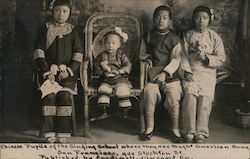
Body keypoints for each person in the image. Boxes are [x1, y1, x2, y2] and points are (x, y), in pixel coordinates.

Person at [33, 0, 83, 143]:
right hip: (48, 73)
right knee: (49, 97)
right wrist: (47, 69)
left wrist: (69, 70)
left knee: (65, 96)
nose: (61, 14)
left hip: (66, 74)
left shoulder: (72, 30)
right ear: (52, 12)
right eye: (57, 11)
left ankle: (63, 133)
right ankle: (49, 133)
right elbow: (38, 51)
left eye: (64, 11)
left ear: (69, 13)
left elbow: (78, 53)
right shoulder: (45, 28)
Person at [180, 5, 226, 143]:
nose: (201, 21)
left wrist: (206, 58)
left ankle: (201, 131)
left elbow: (221, 58)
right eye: (198, 17)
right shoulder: (187, 35)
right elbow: (181, 55)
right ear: (193, 19)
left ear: (209, 20)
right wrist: (186, 71)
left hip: (207, 72)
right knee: (189, 97)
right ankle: (189, 131)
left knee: (205, 100)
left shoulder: (214, 37)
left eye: (204, 18)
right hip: (191, 70)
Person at [139, 5, 183, 141]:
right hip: (153, 74)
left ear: (169, 21)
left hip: (170, 74)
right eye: (158, 17)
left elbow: (177, 59)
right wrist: (148, 59)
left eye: (164, 18)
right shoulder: (148, 36)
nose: (161, 20)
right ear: (154, 19)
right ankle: (149, 127)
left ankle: (175, 129)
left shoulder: (174, 39)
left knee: (174, 93)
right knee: (149, 91)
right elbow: (142, 54)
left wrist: (165, 72)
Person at [93, 27, 132, 120]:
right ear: (104, 44)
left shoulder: (121, 55)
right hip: (106, 79)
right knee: (103, 89)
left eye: (113, 43)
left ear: (119, 44)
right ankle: (104, 111)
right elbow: (96, 67)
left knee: (123, 89)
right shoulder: (102, 56)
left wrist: (119, 71)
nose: (110, 45)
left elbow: (128, 65)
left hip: (120, 78)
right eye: (108, 43)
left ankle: (125, 112)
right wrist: (103, 73)